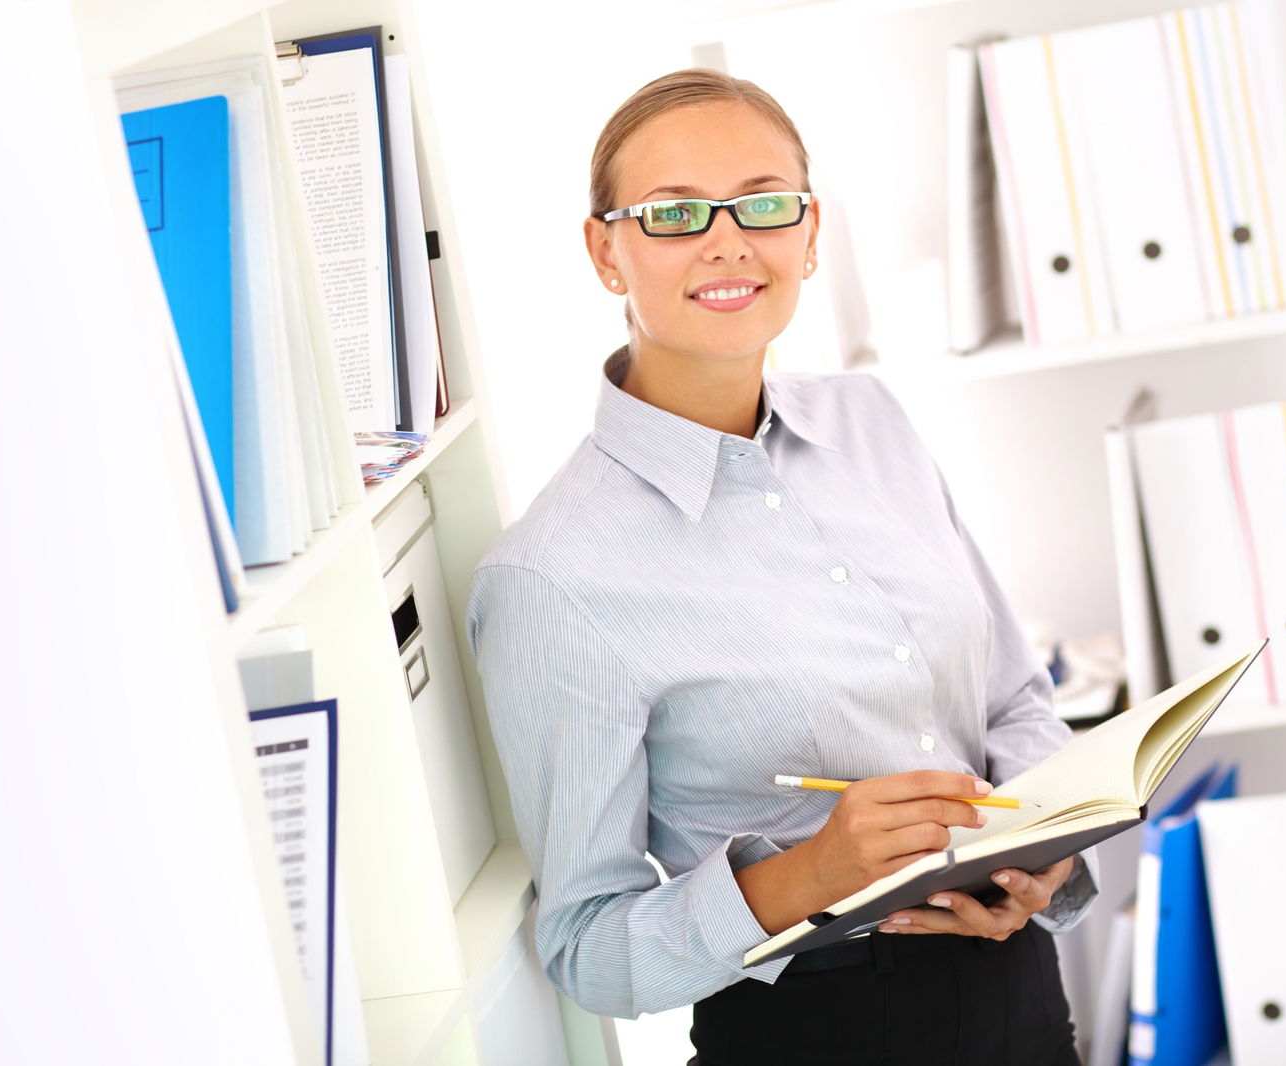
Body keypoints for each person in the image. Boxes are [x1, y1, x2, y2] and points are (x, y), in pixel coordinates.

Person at [466, 68, 1097, 1066]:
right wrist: (810, 872)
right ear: (604, 251)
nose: (727, 241)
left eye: (764, 204)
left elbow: (1012, 697)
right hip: (815, 1034)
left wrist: (1040, 859)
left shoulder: (872, 420)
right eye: (673, 214)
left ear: (807, 236)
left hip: (1022, 1001)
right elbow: (586, 948)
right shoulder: (551, 574)